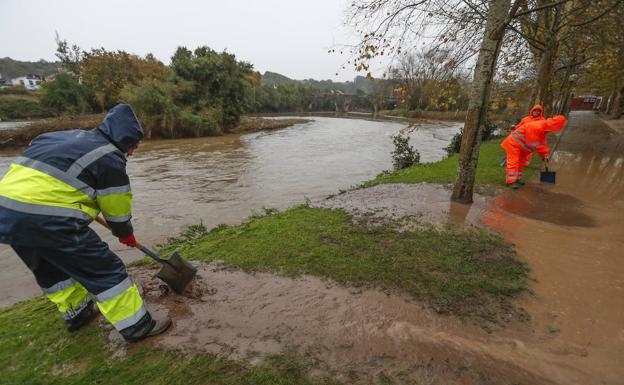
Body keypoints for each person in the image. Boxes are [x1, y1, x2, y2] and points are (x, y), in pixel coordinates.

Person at [0, 104, 171, 341]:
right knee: (106, 271)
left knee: (51, 271)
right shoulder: (110, 159)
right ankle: (137, 326)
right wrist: (124, 233)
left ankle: (77, 314)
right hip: (51, 220)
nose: (132, 153)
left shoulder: (58, 137)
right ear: (125, 140)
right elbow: (117, 212)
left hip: (6, 213)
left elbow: (38, 157)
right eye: (134, 146)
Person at [500, 114, 566, 189]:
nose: (552, 131)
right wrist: (542, 152)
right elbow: (533, 143)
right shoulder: (537, 127)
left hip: (521, 146)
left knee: (521, 162)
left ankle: (517, 179)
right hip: (513, 144)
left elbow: (542, 143)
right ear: (553, 126)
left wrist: (545, 154)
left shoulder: (543, 128)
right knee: (513, 162)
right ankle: (510, 182)